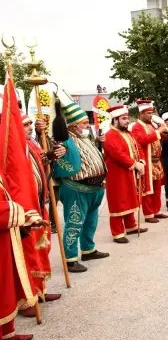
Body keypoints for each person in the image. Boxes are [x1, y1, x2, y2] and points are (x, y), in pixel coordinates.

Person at [51, 97, 109, 273]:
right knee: (74, 223)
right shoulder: (64, 140)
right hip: (76, 188)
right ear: (73, 125)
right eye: (84, 122)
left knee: (91, 221)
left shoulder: (85, 137)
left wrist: (100, 143)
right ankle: (70, 258)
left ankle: (88, 249)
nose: (87, 125)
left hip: (95, 188)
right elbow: (58, 157)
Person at [19, 113, 65, 317]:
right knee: (26, 254)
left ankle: (40, 290)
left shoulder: (31, 144)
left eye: (30, 123)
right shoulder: (8, 148)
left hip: (39, 205)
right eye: (25, 124)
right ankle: (25, 300)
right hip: (24, 212)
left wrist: (53, 155)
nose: (30, 127)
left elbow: (43, 160)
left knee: (42, 249)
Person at [0, 173, 43, 340]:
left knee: (5, 286)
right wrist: (17, 212)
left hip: (5, 235)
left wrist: (27, 217)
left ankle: (7, 333)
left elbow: (11, 191)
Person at [103, 105, 147, 243]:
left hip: (130, 171)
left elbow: (138, 147)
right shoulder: (109, 135)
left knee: (130, 197)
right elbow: (117, 154)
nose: (127, 121)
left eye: (127, 118)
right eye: (124, 118)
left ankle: (130, 225)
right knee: (119, 200)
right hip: (117, 173)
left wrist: (141, 161)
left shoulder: (128, 133)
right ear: (115, 120)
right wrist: (134, 164)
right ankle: (117, 232)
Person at [131, 100, 168, 223]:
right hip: (147, 161)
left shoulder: (151, 125)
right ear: (141, 114)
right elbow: (142, 140)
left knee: (157, 187)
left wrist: (164, 132)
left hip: (156, 161)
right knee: (148, 189)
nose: (150, 115)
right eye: (147, 113)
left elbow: (158, 139)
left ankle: (156, 210)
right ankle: (148, 214)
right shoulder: (137, 127)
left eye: (151, 113)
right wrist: (158, 132)